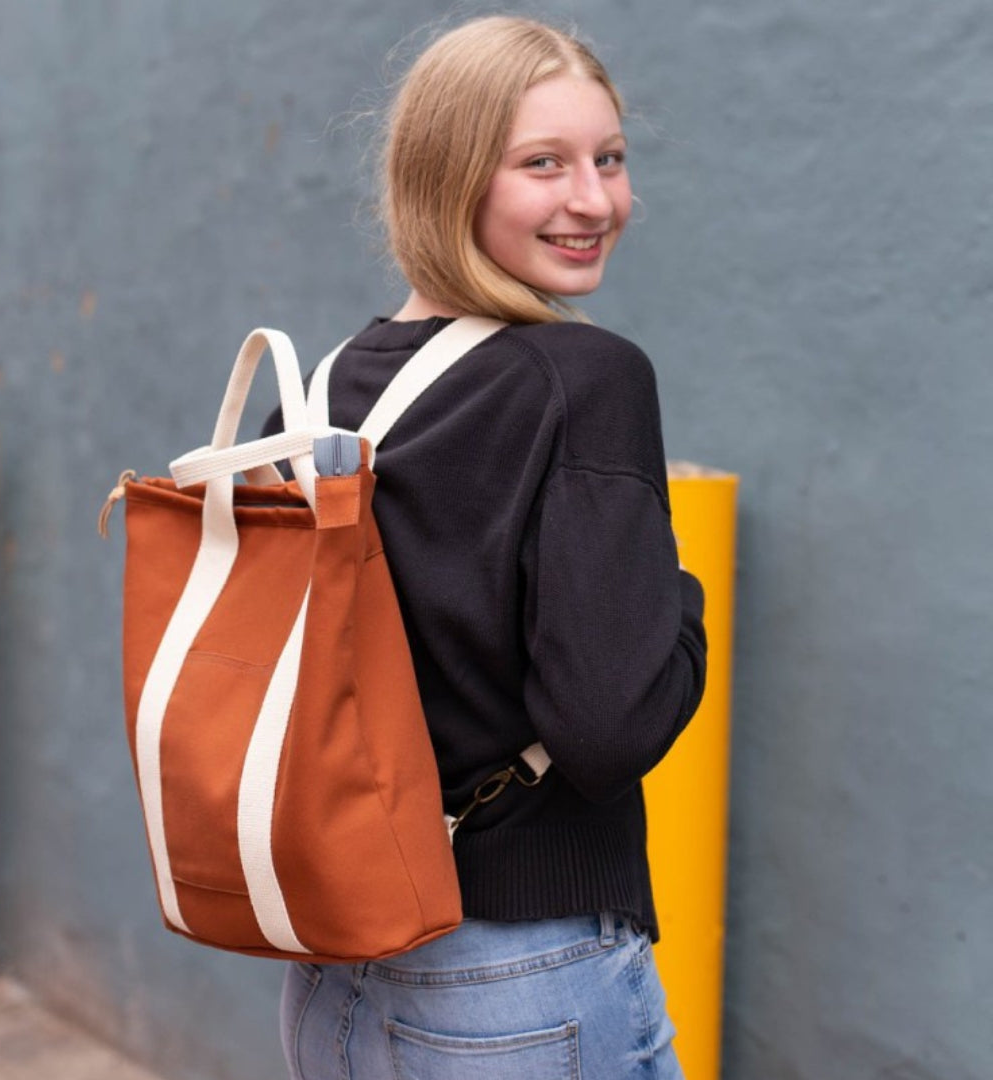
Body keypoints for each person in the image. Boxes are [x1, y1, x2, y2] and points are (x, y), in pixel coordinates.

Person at [265, 15, 708, 1080]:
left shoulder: (324, 390)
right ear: (449, 178)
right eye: (543, 164)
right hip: (519, 979)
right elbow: (608, 726)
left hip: (333, 980)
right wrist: (681, 599)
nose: (594, 200)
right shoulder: (586, 380)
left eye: (610, 159)